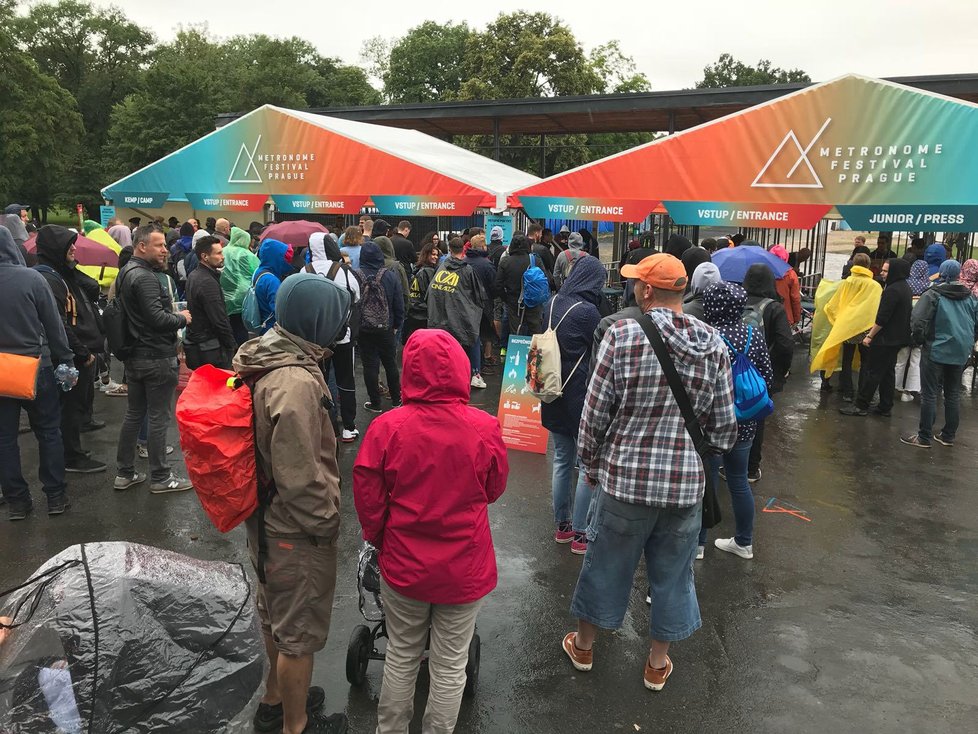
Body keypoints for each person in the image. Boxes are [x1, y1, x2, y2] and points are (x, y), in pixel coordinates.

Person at [564, 253, 737, 691]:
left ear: (645, 290)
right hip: (684, 487)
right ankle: (657, 664)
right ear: (682, 290)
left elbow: (595, 413)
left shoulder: (622, 335)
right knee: (674, 575)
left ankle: (583, 647)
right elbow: (722, 429)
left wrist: (590, 463)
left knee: (605, 564)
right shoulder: (713, 344)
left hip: (624, 481)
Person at [353, 329, 508, 734]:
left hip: (404, 565)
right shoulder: (484, 427)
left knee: (402, 654)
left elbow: (370, 501)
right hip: (464, 568)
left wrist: (379, 538)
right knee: (450, 663)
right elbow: (493, 490)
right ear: (460, 368)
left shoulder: (387, 428)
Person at [233, 273, 351, 734]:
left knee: (276, 617)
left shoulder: (273, 353)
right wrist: (327, 523)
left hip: (266, 518)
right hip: (293, 528)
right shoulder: (295, 383)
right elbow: (300, 474)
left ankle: (276, 700)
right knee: (298, 635)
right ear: (318, 321)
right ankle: (295, 725)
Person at [0, 227, 74, 519]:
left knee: (4, 440)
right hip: (37, 366)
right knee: (48, 432)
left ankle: (17, 502)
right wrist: (65, 359)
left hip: (1, 373)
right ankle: (55, 497)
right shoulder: (32, 278)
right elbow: (54, 326)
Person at [113, 225, 194, 494]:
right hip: (155, 357)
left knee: (135, 414)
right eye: (158, 245)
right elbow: (157, 319)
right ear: (141, 246)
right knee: (158, 418)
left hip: (136, 356)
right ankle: (161, 477)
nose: (165, 250)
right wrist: (181, 318)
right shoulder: (145, 277)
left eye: (164, 245)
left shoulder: (127, 272)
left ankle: (125, 473)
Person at [698, 282, 773, 560]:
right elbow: (767, 375)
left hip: (711, 423)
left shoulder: (706, 336)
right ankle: (744, 542)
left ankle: (698, 543)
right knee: (739, 481)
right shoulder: (753, 333)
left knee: (707, 483)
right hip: (746, 421)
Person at [541, 258, 607, 555]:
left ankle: (562, 526)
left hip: (552, 390)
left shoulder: (551, 303)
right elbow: (600, 350)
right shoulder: (588, 312)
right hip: (580, 394)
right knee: (585, 466)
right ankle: (581, 533)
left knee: (561, 461)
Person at [34, 225, 107, 474]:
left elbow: (90, 289)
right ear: (56, 249)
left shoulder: (63, 273)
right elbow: (58, 323)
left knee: (74, 407)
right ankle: (71, 457)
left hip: (79, 351)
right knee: (69, 408)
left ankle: (72, 452)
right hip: (71, 356)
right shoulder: (50, 279)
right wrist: (82, 352)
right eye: (68, 244)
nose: (74, 248)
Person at [901, 260, 978, 448]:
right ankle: (948, 435)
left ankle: (924, 436)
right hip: (960, 351)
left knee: (929, 393)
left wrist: (919, 339)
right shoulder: (971, 298)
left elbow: (918, 320)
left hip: (935, 349)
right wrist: (969, 342)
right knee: (952, 393)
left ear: (942, 274)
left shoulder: (933, 294)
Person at [840, 258, 913, 418]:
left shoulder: (892, 290)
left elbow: (882, 318)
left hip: (885, 339)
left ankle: (861, 405)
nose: (882, 273)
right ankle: (885, 405)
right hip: (897, 338)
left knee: (872, 372)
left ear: (894, 272)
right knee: (888, 372)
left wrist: (870, 336)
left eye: (886, 270)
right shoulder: (905, 288)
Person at [308, 232, 362, 443]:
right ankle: (349, 426)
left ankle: (323, 426)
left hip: (315, 339)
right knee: (346, 381)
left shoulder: (305, 271)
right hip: (343, 337)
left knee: (317, 381)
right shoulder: (345, 272)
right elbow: (356, 297)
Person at [810, 253, 881, 397]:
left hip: (848, 327)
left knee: (847, 359)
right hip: (867, 328)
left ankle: (847, 392)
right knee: (866, 361)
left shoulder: (848, 282)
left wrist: (840, 321)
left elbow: (833, 305)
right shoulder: (875, 286)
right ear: (868, 265)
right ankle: (863, 393)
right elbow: (877, 307)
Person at [428, 237, 490, 388]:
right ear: (463, 250)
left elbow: (432, 291)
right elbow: (479, 295)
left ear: (449, 249)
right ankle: (475, 374)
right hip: (463, 314)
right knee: (473, 339)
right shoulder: (467, 270)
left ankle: (446, 374)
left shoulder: (441, 268)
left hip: (441, 314)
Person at [359, 242, 403, 413]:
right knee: (390, 364)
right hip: (386, 327)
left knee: (370, 365)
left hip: (364, 329)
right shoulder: (390, 276)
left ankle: (375, 402)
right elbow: (399, 303)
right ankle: (396, 400)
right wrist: (397, 324)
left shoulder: (356, 275)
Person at [184, 235, 235, 370]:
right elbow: (219, 318)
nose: (222, 256)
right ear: (205, 256)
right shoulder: (207, 282)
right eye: (218, 253)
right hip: (210, 349)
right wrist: (231, 345)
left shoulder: (195, 275)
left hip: (200, 345)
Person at [493, 234, 553, 336]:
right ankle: (534, 350)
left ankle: (517, 350)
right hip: (534, 302)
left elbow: (498, 285)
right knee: (535, 332)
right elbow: (545, 280)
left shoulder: (505, 261)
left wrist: (506, 299)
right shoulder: (535, 260)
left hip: (514, 302)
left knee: (516, 332)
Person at [895, 259, 931, 402]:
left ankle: (896, 385)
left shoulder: (906, 285)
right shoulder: (929, 286)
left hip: (904, 326)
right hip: (920, 328)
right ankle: (912, 389)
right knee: (916, 360)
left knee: (901, 359)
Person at [222, 225, 261, 346]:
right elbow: (256, 271)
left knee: (229, 326)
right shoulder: (247, 254)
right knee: (241, 328)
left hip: (225, 295)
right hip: (242, 296)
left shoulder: (223, 251)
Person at [464, 234, 497, 374]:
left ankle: (470, 364)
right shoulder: (487, 264)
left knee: (471, 334)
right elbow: (494, 286)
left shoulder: (464, 261)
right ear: (483, 246)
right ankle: (482, 364)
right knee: (484, 334)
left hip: (467, 303)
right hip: (484, 303)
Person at [252, 239, 295, 335]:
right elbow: (278, 310)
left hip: (263, 326)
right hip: (272, 331)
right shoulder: (272, 281)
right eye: (284, 257)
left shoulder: (259, 271)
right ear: (276, 258)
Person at [404, 243, 439, 344]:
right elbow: (430, 295)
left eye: (436, 255)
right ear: (426, 254)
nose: (435, 257)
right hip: (423, 312)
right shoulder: (428, 272)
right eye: (433, 254)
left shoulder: (417, 269)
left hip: (414, 311)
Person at [374, 234, 410, 316]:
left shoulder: (371, 264)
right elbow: (405, 292)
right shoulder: (396, 266)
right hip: (392, 312)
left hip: (373, 314)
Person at [769, 245, 802, 327]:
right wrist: (796, 318)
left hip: (765, 315)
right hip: (785, 317)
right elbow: (795, 298)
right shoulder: (790, 274)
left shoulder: (763, 270)